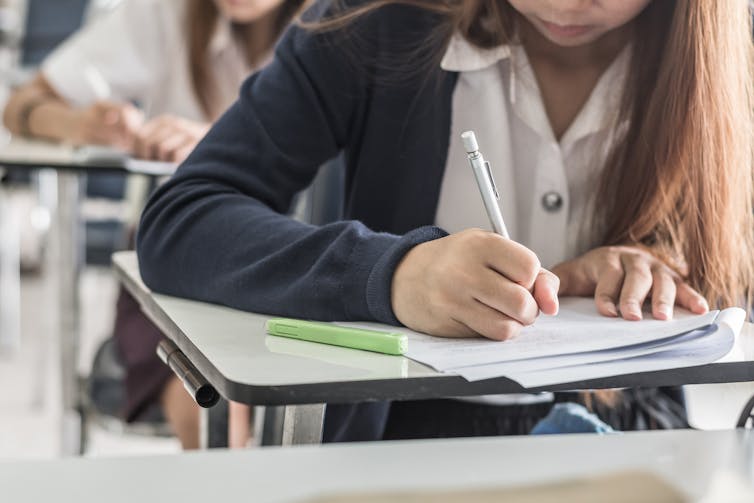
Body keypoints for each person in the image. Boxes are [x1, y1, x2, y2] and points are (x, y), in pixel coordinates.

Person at [136, 0, 754, 441]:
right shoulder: (373, 23)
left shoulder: (729, 57)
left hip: (632, 436)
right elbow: (183, 219)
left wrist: (660, 262)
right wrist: (393, 274)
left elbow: (729, 279)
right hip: (391, 440)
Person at [3, 0, 306, 449]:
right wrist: (82, 125)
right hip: (178, 273)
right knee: (213, 401)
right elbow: (21, 104)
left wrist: (222, 142)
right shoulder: (166, 15)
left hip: (300, 264)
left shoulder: (344, 26)